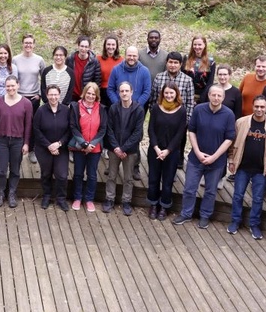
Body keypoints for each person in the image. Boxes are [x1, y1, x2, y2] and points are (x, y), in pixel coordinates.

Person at [173, 84, 235, 229]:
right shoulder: (199, 109)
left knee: (210, 191)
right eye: (213, 95)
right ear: (208, 95)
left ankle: (205, 215)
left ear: (223, 97)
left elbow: (229, 139)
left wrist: (214, 157)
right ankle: (186, 213)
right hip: (196, 158)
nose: (216, 98)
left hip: (216, 161)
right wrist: (197, 152)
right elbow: (191, 131)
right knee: (189, 188)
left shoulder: (228, 114)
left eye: (219, 95)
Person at [226, 95, 266, 240]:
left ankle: (254, 224)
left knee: (257, 198)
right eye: (256, 106)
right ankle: (235, 221)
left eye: (262, 107)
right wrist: (231, 160)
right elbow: (233, 143)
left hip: (261, 169)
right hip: (242, 167)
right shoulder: (241, 122)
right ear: (252, 106)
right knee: (238, 195)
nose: (259, 109)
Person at [0, 75, 33, 208]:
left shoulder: (26, 103)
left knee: (15, 170)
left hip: (17, 141)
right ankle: (1, 193)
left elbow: (28, 125)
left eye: (13, 85)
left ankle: (12, 193)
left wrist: (26, 143)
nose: (10, 88)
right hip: (1, 140)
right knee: (1, 170)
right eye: (8, 86)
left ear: (18, 85)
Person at [103, 81, 145, 215]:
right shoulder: (113, 108)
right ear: (118, 93)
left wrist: (124, 148)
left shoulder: (139, 110)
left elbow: (137, 133)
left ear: (132, 92)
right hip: (114, 149)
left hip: (130, 151)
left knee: (128, 178)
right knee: (111, 176)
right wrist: (116, 147)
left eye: (127, 91)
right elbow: (109, 129)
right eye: (122, 91)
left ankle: (126, 201)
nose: (124, 93)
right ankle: (109, 199)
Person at [146, 83, 187, 221]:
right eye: (166, 93)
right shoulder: (156, 108)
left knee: (168, 181)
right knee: (153, 179)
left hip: (171, 152)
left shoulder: (181, 110)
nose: (169, 95)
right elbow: (151, 129)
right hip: (155, 150)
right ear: (162, 93)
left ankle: (164, 206)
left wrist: (168, 150)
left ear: (176, 94)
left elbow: (180, 133)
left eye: (171, 93)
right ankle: (153, 204)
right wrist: (156, 148)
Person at [69, 82, 108, 212]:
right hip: (79, 147)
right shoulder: (75, 107)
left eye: (93, 94)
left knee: (92, 175)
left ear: (97, 96)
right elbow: (73, 127)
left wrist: (92, 144)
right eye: (88, 93)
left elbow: (103, 129)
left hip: (95, 148)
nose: (90, 96)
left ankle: (89, 199)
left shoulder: (102, 108)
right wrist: (84, 144)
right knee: (78, 174)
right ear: (84, 93)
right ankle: (77, 198)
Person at [201, 63, 242, 181]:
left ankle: (219, 177)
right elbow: (203, 105)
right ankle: (205, 174)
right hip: (209, 125)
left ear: (229, 75)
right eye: (220, 74)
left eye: (225, 74)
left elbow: (238, 113)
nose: (222, 77)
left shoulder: (236, 92)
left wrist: (233, 130)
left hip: (226, 128)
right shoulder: (211, 89)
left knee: (222, 152)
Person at [33, 85, 71, 211]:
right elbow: (36, 130)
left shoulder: (66, 110)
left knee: (62, 175)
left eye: (55, 94)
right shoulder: (41, 111)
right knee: (46, 173)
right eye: (51, 94)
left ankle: (61, 198)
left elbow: (70, 130)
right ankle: (47, 196)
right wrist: (48, 145)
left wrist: (59, 143)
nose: (53, 97)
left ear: (59, 95)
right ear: (47, 95)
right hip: (44, 148)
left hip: (61, 148)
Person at [14, 34, 45, 164]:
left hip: (33, 97)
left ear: (34, 44)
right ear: (22, 44)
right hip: (19, 97)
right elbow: (12, 79)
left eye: (30, 43)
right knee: (18, 125)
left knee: (32, 125)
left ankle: (32, 150)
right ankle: (18, 150)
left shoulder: (39, 60)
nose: (28, 45)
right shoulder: (15, 60)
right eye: (26, 42)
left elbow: (44, 78)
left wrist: (40, 94)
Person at [65, 35, 101, 102]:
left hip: (86, 96)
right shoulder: (70, 59)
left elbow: (97, 82)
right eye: (82, 46)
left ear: (89, 48)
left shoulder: (94, 62)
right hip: (72, 96)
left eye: (86, 47)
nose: (83, 49)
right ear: (78, 46)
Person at [181, 35, 216, 102]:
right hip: (186, 93)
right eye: (195, 45)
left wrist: (203, 97)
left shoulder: (210, 61)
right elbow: (182, 76)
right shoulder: (186, 58)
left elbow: (210, 82)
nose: (197, 47)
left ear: (204, 45)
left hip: (203, 95)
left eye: (199, 45)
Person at [97, 34, 123, 110]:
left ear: (116, 46)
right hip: (101, 91)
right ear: (105, 46)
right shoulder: (98, 59)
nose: (110, 47)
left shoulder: (121, 61)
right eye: (108, 44)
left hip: (115, 91)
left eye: (113, 45)